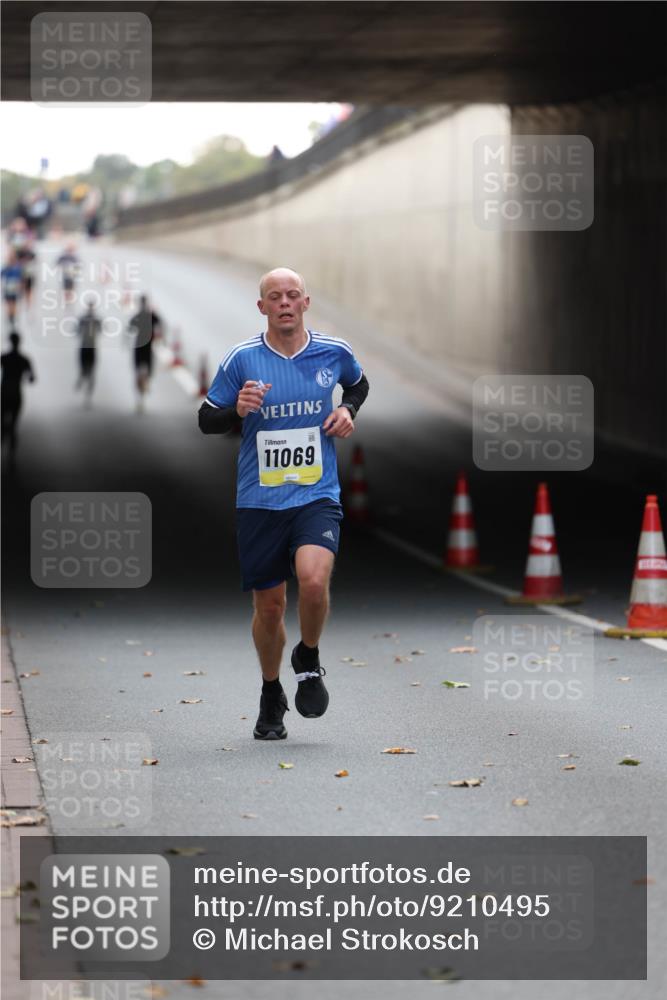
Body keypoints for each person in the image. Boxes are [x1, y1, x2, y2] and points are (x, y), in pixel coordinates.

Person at [198, 267, 369, 740]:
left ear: (306, 302)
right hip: (259, 501)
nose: (285, 303)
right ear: (263, 307)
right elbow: (206, 419)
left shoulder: (333, 353)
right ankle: (271, 691)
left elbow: (358, 385)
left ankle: (308, 656)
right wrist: (237, 409)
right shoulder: (242, 359)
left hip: (316, 493)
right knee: (270, 607)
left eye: (293, 295)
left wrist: (346, 410)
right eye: (275, 297)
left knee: (314, 582)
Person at [1, 331, 35, 460]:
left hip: (4, 393)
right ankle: (11, 455)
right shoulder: (24, 359)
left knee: (2, 423)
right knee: (14, 425)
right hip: (16, 394)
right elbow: (32, 378)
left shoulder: (4, 358)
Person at [127, 294, 162, 412]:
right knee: (144, 372)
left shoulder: (140, 315)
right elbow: (160, 325)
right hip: (145, 348)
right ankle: (143, 389)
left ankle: (140, 395)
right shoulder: (150, 315)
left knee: (140, 372)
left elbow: (130, 329)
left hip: (140, 347)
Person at [75, 298, 101, 404]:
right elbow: (100, 331)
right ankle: (87, 393)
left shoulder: (83, 319)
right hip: (90, 347)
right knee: (90, 371)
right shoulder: (96, 320)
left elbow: (77, 332)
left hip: (86, 347)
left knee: (88, 371)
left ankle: (83, 381)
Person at [1, 250, 23, 325]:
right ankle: (11, 317)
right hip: (11, 287)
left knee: (11, 303)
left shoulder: (10, 267)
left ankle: (11, 317)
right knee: (12, 303)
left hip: (11, 287)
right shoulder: (16, 267)